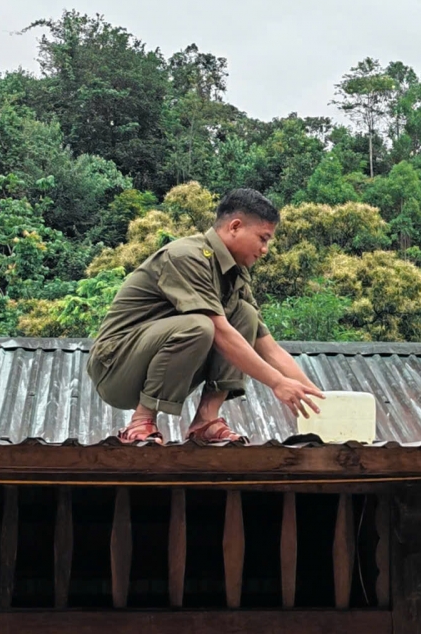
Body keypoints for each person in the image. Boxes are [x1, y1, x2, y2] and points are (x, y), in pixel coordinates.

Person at [87, 188, 323, 445]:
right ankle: (141, 421)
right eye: (262, 238)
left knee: (245, 316)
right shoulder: (187, 256)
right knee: (200, 325)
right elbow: (219, 332)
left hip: (161, 366)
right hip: (115, 368)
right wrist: (277, 383)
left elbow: (269, 348)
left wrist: (320, 400)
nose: (265, 249)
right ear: (235, 226)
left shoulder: (236, 276)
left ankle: (206, 420)